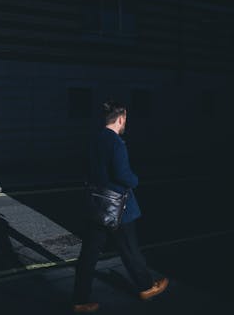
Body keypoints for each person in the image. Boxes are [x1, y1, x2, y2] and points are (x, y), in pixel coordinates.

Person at [72, 100, 168, 313]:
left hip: (96, 205)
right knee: (130, 251)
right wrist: (135, 180)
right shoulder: (116, 143)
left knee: (88, 255)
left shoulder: (93, 139)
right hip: (118, 207)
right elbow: (122, 175)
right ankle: (145, 287)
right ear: (121, 118)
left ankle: (80, 300)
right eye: (126, 120)